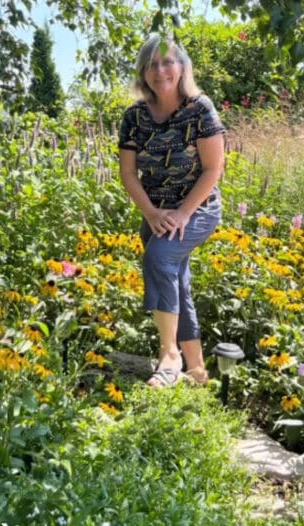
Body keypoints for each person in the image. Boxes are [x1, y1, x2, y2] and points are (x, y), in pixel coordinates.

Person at [117, 36, 225, 388]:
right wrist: (150, 213)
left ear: (181, 67)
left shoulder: (199, 108)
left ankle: (169, 356)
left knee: (159, 259)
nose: (159, 70)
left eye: (167, 62)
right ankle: (196, 371)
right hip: (155, 213)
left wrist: (181, 215)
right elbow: (128, 173)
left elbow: (213, 170)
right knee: (177, 282)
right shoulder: (134, 117)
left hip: (198, 208)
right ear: (143, 72)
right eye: (151, 64)